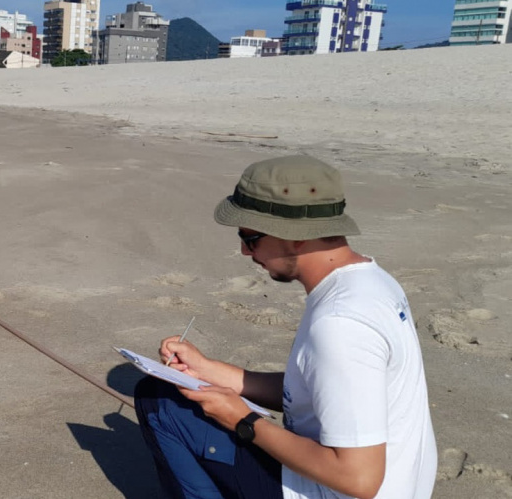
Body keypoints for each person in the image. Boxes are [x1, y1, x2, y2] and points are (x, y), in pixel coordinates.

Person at [135, 155, 437, 499]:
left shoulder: (340, 324)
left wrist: (243, 421)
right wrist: (207, 370)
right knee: (170, 391)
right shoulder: (373, 282)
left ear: (295, 236)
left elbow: (359, 480)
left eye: (250, 237)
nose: (245, 251)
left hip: (336, 489)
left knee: (158, 400)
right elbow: (314, 391)